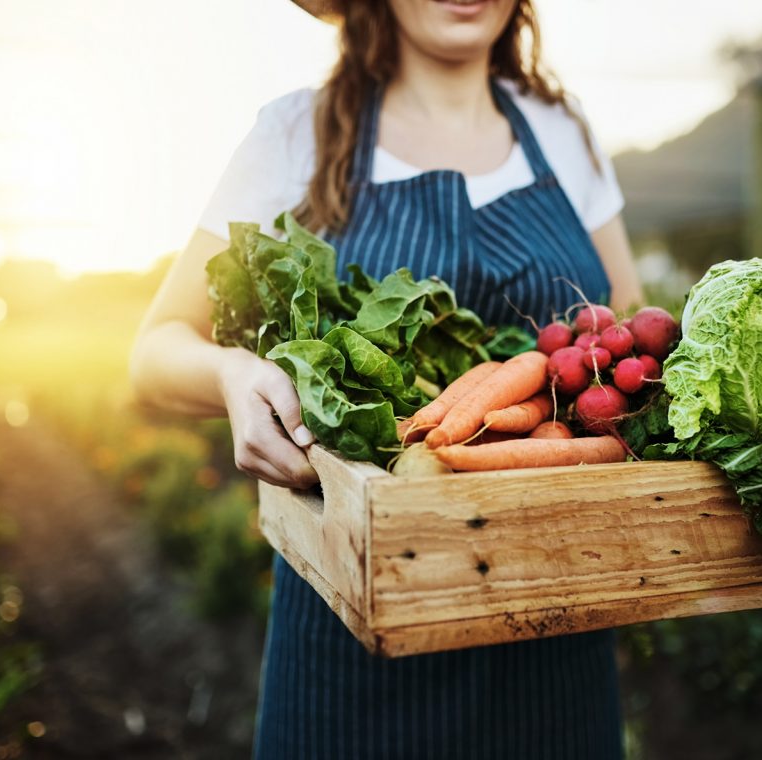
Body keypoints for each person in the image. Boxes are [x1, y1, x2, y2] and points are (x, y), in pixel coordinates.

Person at [130, 0, 644, 756]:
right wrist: (234, 375)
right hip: (351, 638)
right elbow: (153, 351)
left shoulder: (561, 129)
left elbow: (627, 333)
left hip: (555, 629)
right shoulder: (292, 135)